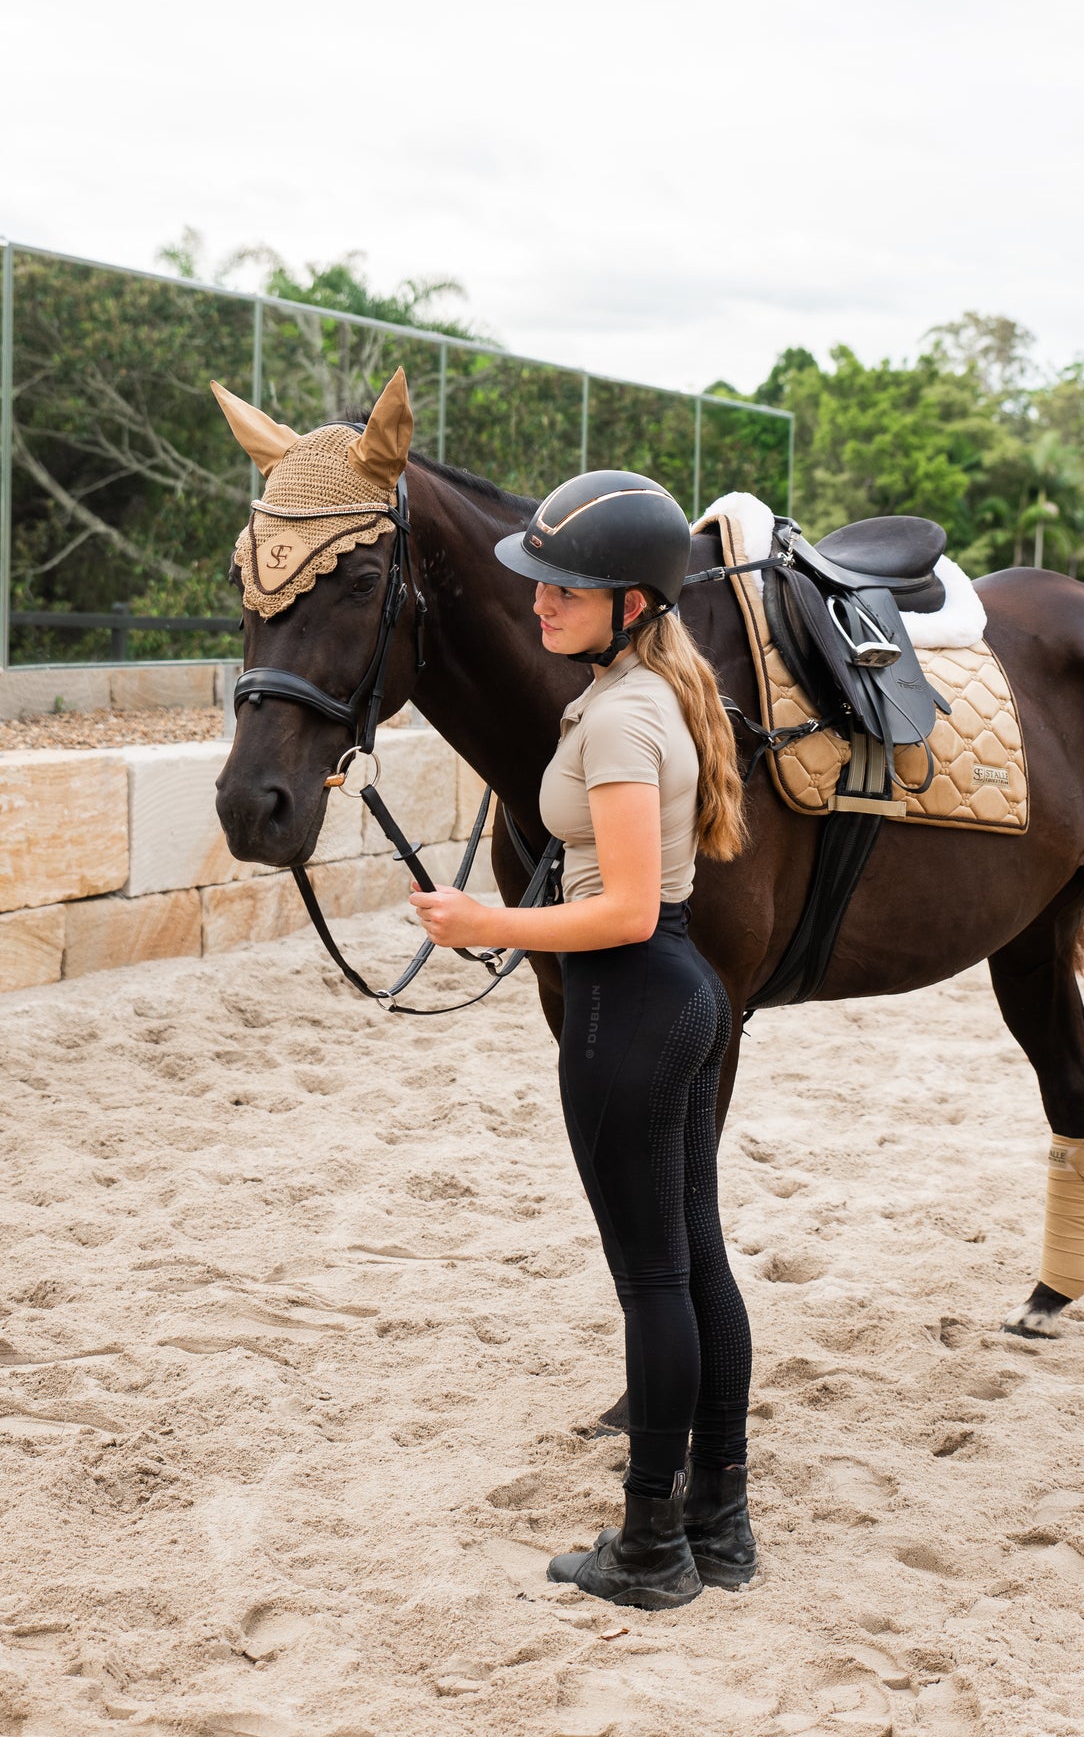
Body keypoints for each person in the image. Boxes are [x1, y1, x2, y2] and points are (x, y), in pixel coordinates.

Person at [409, 470, 755, 1611]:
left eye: (569, 587)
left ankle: (651, 1545)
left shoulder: (618, 716)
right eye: (540, 581)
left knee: (653, 1278)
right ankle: (720, 1518)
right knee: (695, 1259)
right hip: (674, 991)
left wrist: (483, 923)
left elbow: (616, 909)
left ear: (634, 603)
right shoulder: (652, 690)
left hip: (630, 1002)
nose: (541, 602)